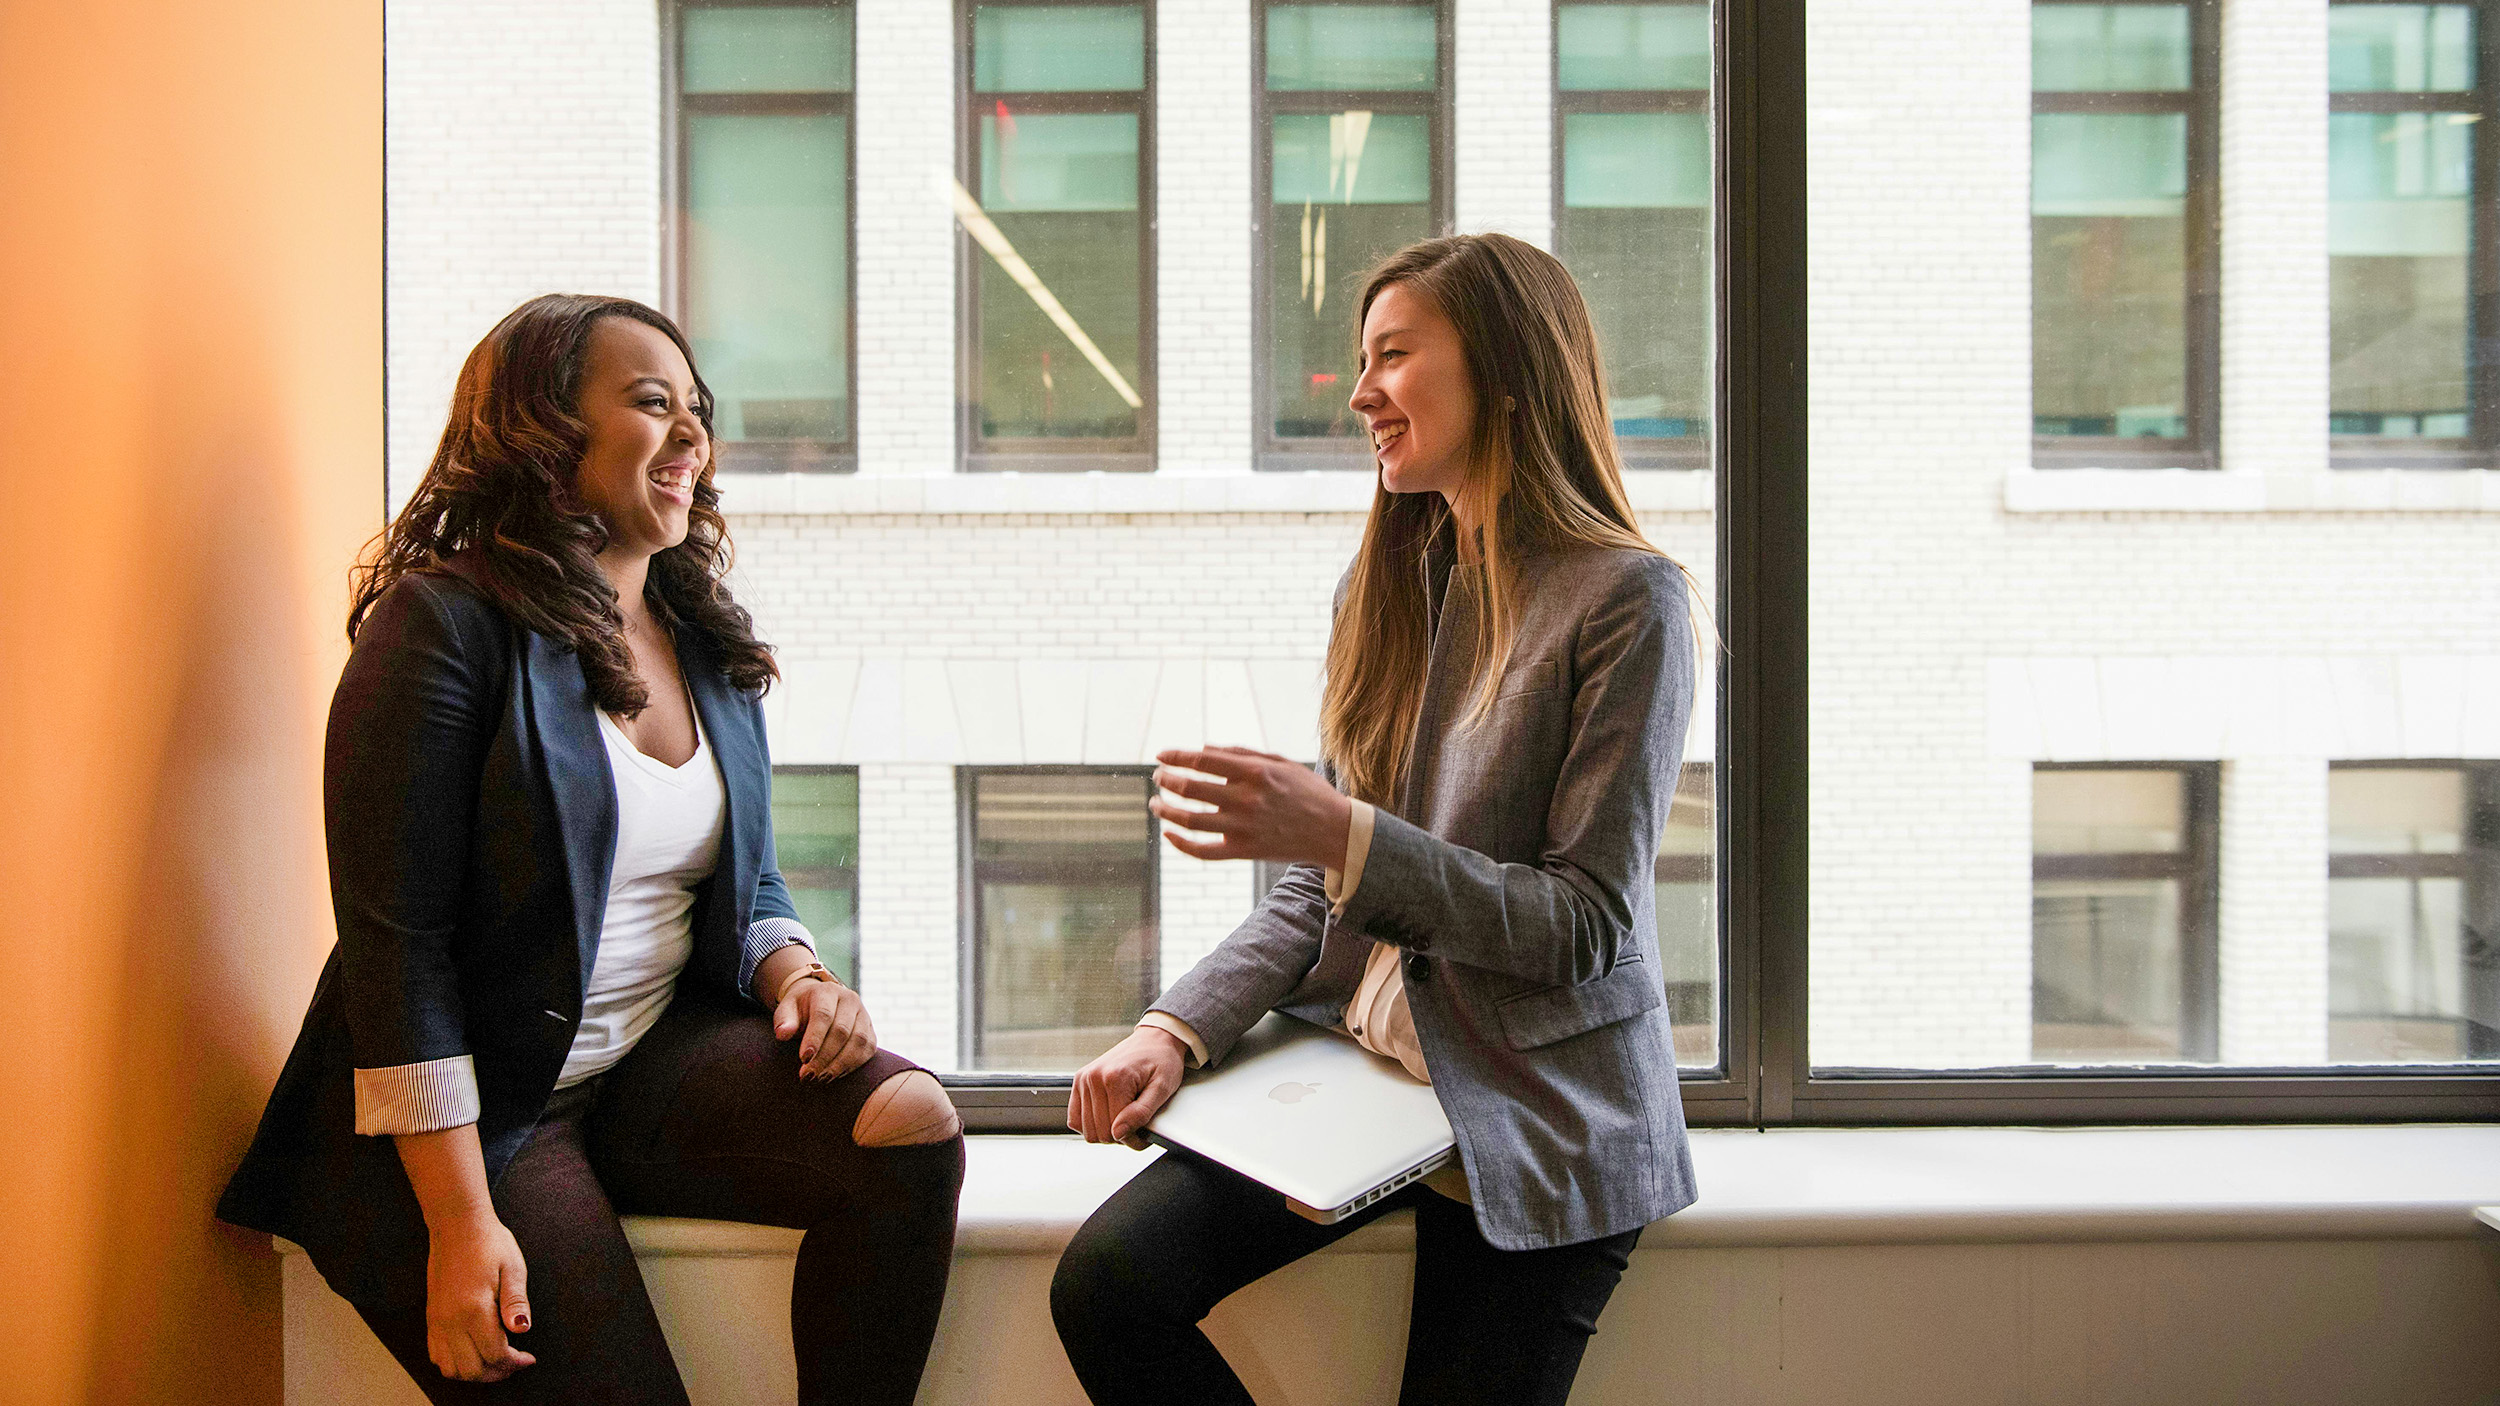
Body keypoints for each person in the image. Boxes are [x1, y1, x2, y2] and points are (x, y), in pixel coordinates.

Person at [217, 294, 965, 1404]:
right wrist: (462, 1225)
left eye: (699, 411)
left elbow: (741, 870)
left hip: (634, 1065)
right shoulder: (440, 624)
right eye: (653, 402)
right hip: (466, 1122)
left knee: (910, 1125)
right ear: (541, 430)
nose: (692, 435)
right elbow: (397, 944)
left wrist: (797, 970)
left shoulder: (699, 630)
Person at [1052, 233, 1702, 1406]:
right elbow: (1318, 889)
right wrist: (1173, 1029)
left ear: (1505, 371)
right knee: (1106, 1284)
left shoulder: (1627, 599)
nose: (1359, 393)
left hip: (1536, 1109)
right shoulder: (1388, 584)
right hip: (1371, 1080)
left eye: (1393, 356)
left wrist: (1343, 835)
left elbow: (1584, 923)